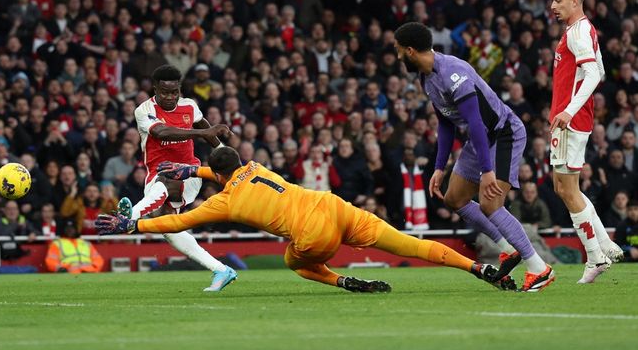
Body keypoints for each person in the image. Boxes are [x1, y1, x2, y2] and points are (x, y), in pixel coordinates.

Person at [97, 147, 516, 293]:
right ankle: (478, 268)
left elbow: (174, 224)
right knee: (409, 245)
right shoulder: (257, 166)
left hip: (314, 234)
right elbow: (223, 169)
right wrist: (192, 171)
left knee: (293, 262)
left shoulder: (223, 203)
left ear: (217, 175)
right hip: (334, 205)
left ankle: (339, 280)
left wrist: (134, 225)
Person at [393, 22, 554, 292]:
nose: (397, 56)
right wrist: (438, 167)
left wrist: (487, 170)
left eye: (398, 51)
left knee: (491, 204)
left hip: (504, 134)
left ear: (410, 50)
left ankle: (540, 268)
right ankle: (507, 250)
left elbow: (476, 122)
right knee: (455, 198)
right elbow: (445, 124)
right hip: (479, 139)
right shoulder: (426, 76)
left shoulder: (452, 72)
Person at [117, 65, 237, 292]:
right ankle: (221, 269)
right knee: (169, 229)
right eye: (165, 92)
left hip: (188, 171)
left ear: (179, 89)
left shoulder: (190, 106)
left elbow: (209, 133)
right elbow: (161, 132)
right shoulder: (144, 110)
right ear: (155, 89)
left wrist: (226, 155)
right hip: (155, 173)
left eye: (175, 92)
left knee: (168, 179)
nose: (171, 97)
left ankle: (130, 218)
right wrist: (202, 133)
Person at [548, 0, 624, 283]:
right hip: (574, 116)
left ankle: (595, 257)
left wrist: (569, 109)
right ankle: (605, 244)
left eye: (557, 0)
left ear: (574, 1)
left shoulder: (578, 32)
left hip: (571, 118)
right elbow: (601, 70)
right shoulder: (584, 30)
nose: (553, 6)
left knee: (566, 189)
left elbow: (593, 73)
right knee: (566, 187)